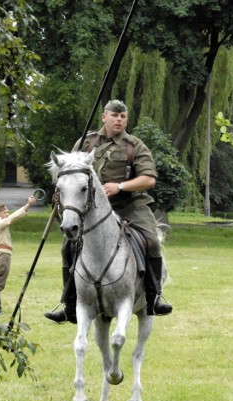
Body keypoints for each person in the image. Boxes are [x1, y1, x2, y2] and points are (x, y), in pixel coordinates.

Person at [44, 99, 172, 324]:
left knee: (152, 240)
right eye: (115, 115)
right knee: (68, 246)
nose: (119, 120)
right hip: (91, 208)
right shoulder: (85, 142)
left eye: (123, 116)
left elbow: (149, 179)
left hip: (131, 205)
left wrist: (120, 186)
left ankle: (154, 297)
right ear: (104, 117)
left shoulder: (134, 145)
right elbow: (68, 172)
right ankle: (69, 304)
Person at [0, 196, 37, 315]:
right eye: (5, 212)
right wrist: (27, 205)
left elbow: (10, 218)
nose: (7, 214)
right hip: (1, 256)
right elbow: (11, 219)